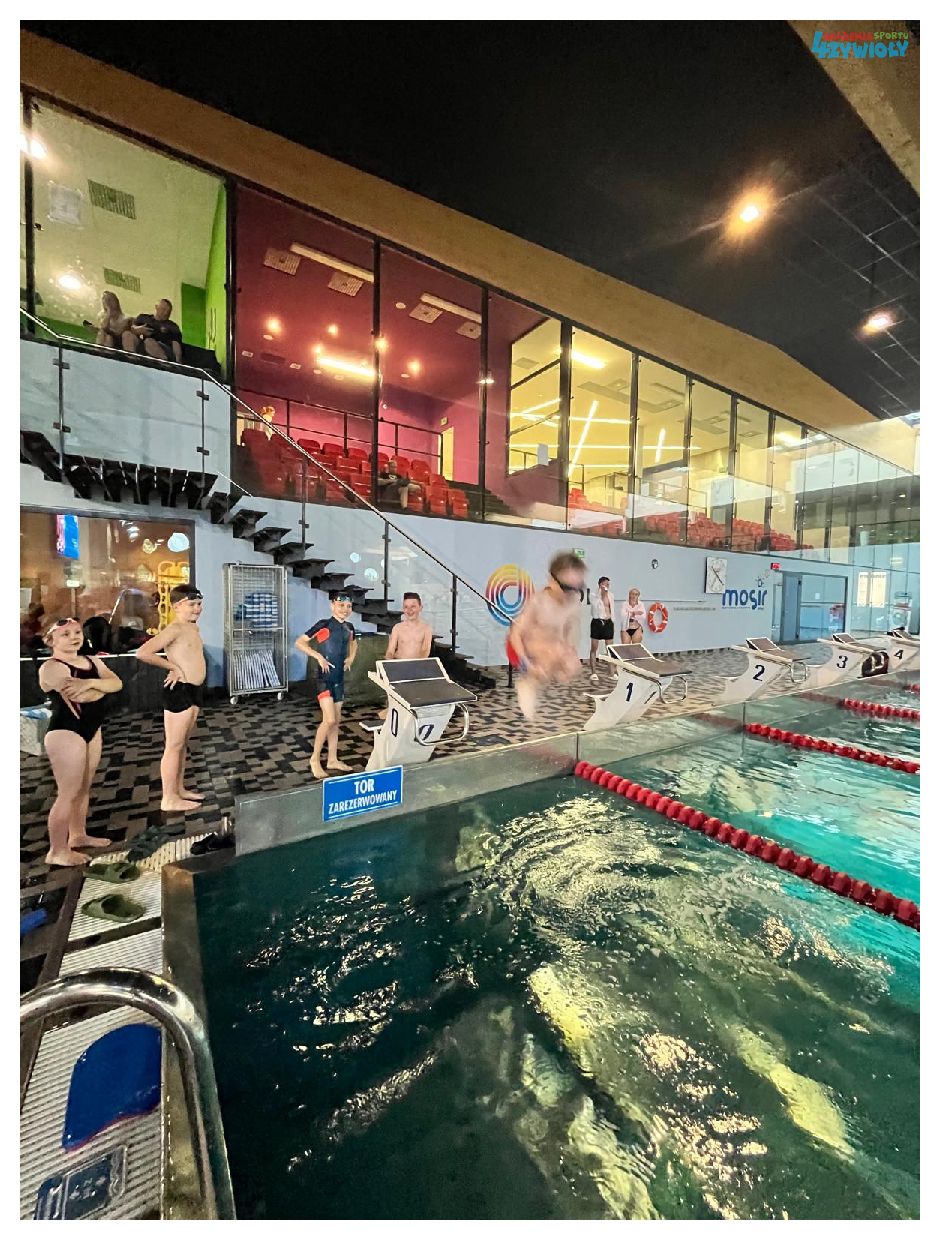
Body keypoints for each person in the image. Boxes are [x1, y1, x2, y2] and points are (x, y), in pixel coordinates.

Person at [38, 617, 123, 866]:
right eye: (65, 634)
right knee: (67, 793)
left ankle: (78, 835)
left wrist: (91, 683)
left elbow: (117, 684)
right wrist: (102, 687)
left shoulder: (92, 661)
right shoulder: (52, 667)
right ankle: (57, 850)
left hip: (92, 729)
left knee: (84, 786)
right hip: (66, 732)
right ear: (51, 640)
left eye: (77, 632)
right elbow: (82, 697)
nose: (74, 637)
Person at [135, 584, 206, 812]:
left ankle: (179, 789)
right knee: (174, 745)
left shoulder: (192, 627)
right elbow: (143, 652)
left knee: (182, 744)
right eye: (192, 604)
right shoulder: (174, 629)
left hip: (193, 690)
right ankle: (169, 798)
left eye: (199, 604)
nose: (197, 609)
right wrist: (173, 667)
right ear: (176, 607)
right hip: (180, 690)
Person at [507, 552, 586, 722]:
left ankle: (540, 676)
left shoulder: (573, 603)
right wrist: (526, 664)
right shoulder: (538, 601)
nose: (571, 593)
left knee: (571, 664)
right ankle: (528, 682)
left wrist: (569, 652)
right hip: (519, 645)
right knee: (552, 651)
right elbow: (516, 634)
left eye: (577, 588)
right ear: (551, 581)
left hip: (548, 645)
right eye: (567, 588)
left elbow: (568, 631)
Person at [295, 592, 358, 780]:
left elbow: (354, 644)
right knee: (329, 720)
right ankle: (314, 759)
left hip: (339, 679)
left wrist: (351, 658)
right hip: (324, 679)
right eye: (341, 605)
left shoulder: (349, 627)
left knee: (336, 721)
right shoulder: (324, 624)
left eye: (348, 606)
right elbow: (299, 642)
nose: (345, 610)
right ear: (332, 606)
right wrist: (318, 656)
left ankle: (332, 759)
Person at [378, 592, 433, 718]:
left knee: (413, 701)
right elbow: (390, 651)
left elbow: (425, 650)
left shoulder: (426, 628)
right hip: (398, 668)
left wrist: (416, 666)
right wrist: (388, 664)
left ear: (420, 607)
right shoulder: (397, 628)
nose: (409, 610)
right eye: (406, 607)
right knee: (394, 704)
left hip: (416, 669)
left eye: (413, 606)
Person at [128, 298, 183, 363]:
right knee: (127, 335)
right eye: (163, 309)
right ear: (156, 307)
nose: (166, 313)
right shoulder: (143, 318)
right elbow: (132, 328)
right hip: (143, 346)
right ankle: (130, 359)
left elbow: (176, 344)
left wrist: (178, 362)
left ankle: (164, 362)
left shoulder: (172, 326)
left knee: (149, 341)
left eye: (168, 311)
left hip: (164, 349)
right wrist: (138, 330)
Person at [589, 575, 614, 681]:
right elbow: (595, 607)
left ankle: (612, 673)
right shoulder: (593, 595)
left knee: (610, 649)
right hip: (597, 622)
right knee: (594, 648)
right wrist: (602, 594)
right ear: (600, 585)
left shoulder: (611, 595)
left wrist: (606, 594)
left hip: (608, 622)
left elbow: (610, 609)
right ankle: (594, 673)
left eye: (608, 584)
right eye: (605, 584)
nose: (607, 586)